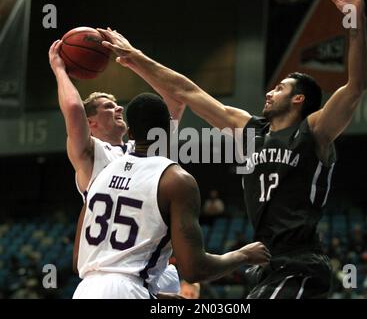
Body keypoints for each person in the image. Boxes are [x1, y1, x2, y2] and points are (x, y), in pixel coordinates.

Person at [97, 0, 367, 298]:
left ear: (299, 99)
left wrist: (355, 21)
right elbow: (188, 91)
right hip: (267, 263)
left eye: (279, 88)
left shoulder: (313, 132)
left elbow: (355, 87)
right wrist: (135, 57)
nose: (269, 91)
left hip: (300, 264)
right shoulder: (249, 130)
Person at [72, 92, 270, 298]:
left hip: (85, 290)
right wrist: (243, 255)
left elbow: (79, 261)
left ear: (130, 133)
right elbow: (195, 269)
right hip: (129, 291)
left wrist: (158, 296)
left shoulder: (101, 174)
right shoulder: (175, 180)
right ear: (169, 129)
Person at [48, 41, 186, 295]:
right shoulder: (92, 154)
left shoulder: (144, 148)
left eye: (117, 104)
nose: (119, 107)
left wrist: (135, 60)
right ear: (90, 123)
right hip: (116, 272)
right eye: (108, 107)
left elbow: (175, 102)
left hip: (153, 269)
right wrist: (60, 70)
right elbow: (73, 109)